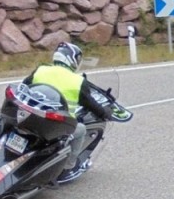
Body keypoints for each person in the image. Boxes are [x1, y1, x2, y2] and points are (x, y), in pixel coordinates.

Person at [22, 42, 114, 180]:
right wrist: (105, 113)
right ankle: (68, 168)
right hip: (54, 126)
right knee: (81, 130)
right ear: (71, 59)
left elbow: (23, 87)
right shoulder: (77, 81)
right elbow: (91, 104)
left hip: (30, 117)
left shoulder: (40, 70)